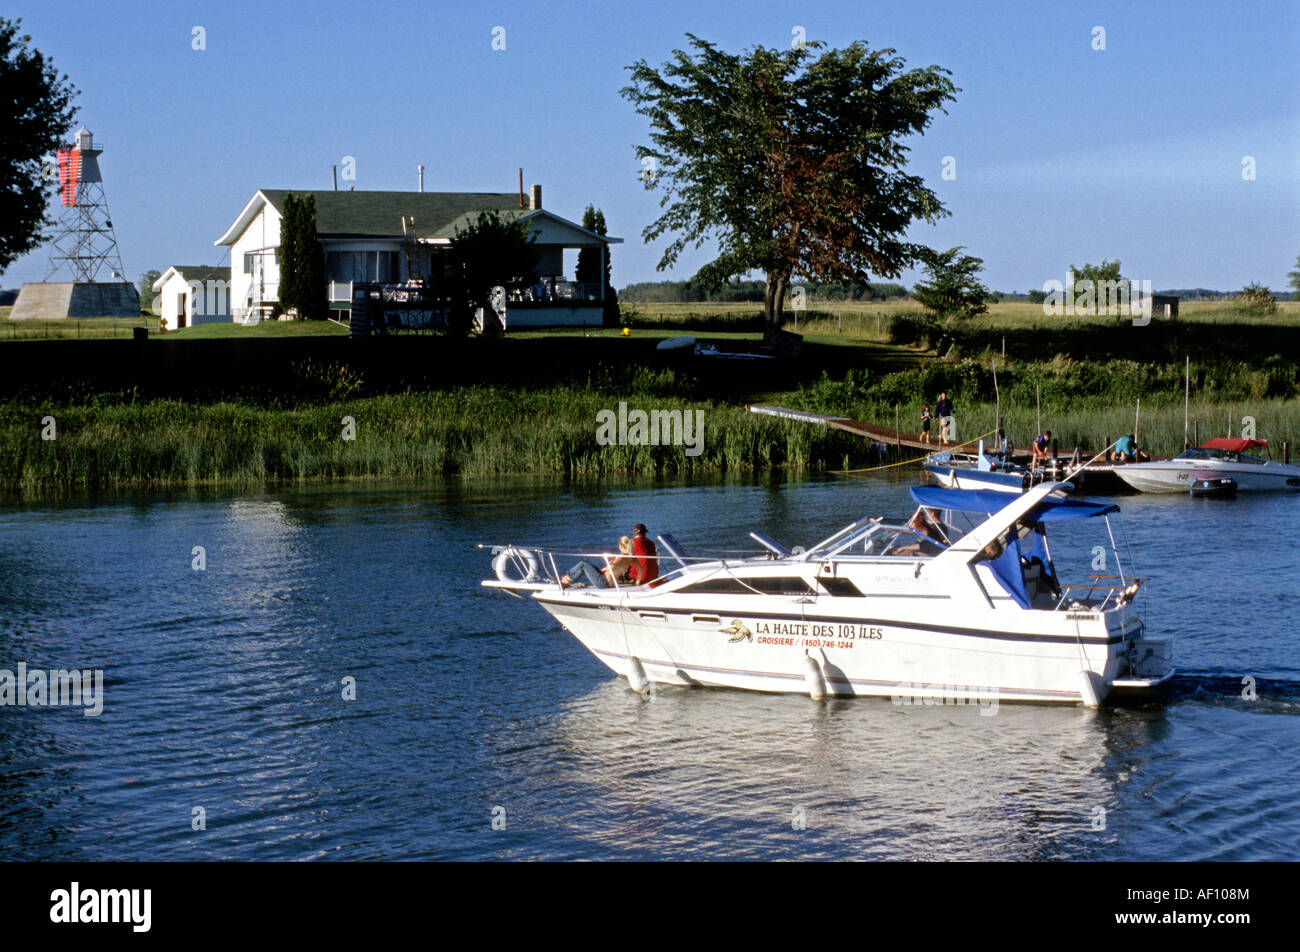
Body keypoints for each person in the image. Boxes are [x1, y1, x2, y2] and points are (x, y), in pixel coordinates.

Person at [561, 536, 634, 589]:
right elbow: (640, 570)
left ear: (621, 546)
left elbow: (611, 567)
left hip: (603, 582)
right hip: (609, 583)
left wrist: (601, 571)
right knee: (585, 568)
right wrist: (637, 582)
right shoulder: (631, 558)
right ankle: (569, 579)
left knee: (583, 563)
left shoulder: (620, 557)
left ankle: (567, 577)